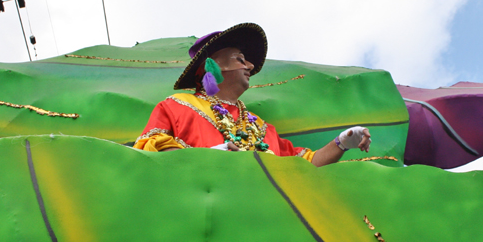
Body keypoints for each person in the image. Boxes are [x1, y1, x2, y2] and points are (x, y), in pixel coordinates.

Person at [134, 23, 371, 166]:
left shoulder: (262, 127)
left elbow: (303, 166)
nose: (249, 66)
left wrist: (342, 142)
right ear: (215, 64)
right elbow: (149, 156)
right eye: (240, 59)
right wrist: (209, 160)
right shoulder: (176, 107)